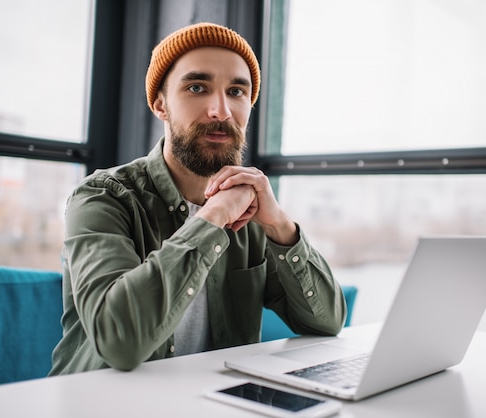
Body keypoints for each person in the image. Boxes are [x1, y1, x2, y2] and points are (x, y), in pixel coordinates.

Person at [49, 22, 346, 375]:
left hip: (213, 402)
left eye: (237, 92)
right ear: (161, 104)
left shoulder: (251, 213)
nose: (221, 111)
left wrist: (280, 225)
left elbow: (327, 322)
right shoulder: (102, 197)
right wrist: (212, 217)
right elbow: (120, 341)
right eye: (197, 87)